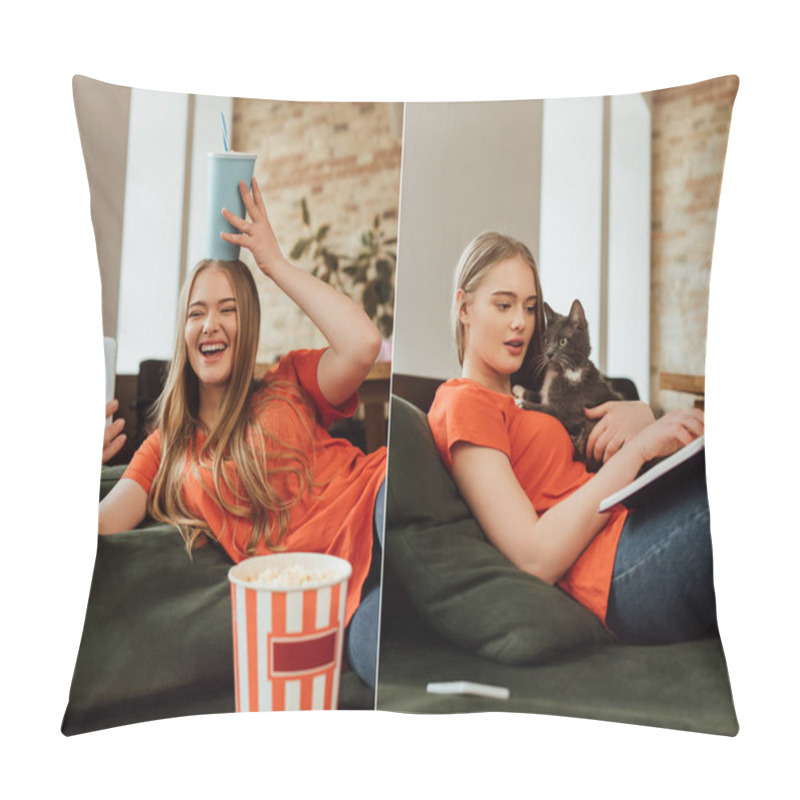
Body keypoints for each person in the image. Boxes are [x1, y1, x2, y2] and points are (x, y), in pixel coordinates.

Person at [99, 178, 386, 686]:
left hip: (381, 503)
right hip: (336, 595)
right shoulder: (166, 447)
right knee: (373, 651)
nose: (211, 325)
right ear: (183, 334)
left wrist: (273, 264)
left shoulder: (290, 381)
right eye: (197, 313)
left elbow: (363, 342)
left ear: (247, 325)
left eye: (228, 310)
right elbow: (101, 525)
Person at [427, 231, 716, 645]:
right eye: (503, 304)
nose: (520, 323)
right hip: (613, 567)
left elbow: (596, 442)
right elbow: (535, 556)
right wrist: (637, 449)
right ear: (464, 307)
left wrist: (641, 416)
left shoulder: (528, 402)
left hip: (635, 524)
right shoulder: (463, 403)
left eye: (529, 308)